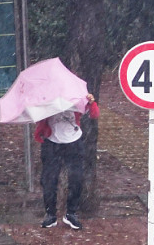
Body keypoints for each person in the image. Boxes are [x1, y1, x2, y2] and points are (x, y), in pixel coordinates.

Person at [34, 94, 99, 230]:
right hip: (52, 142)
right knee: (49, 180)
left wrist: (92, 102)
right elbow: (37, 115)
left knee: (76, 178)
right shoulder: (46, 98)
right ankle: (50, 214)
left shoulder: (76, 96)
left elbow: (94, 114)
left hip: (74, 142)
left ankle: (71, 213)